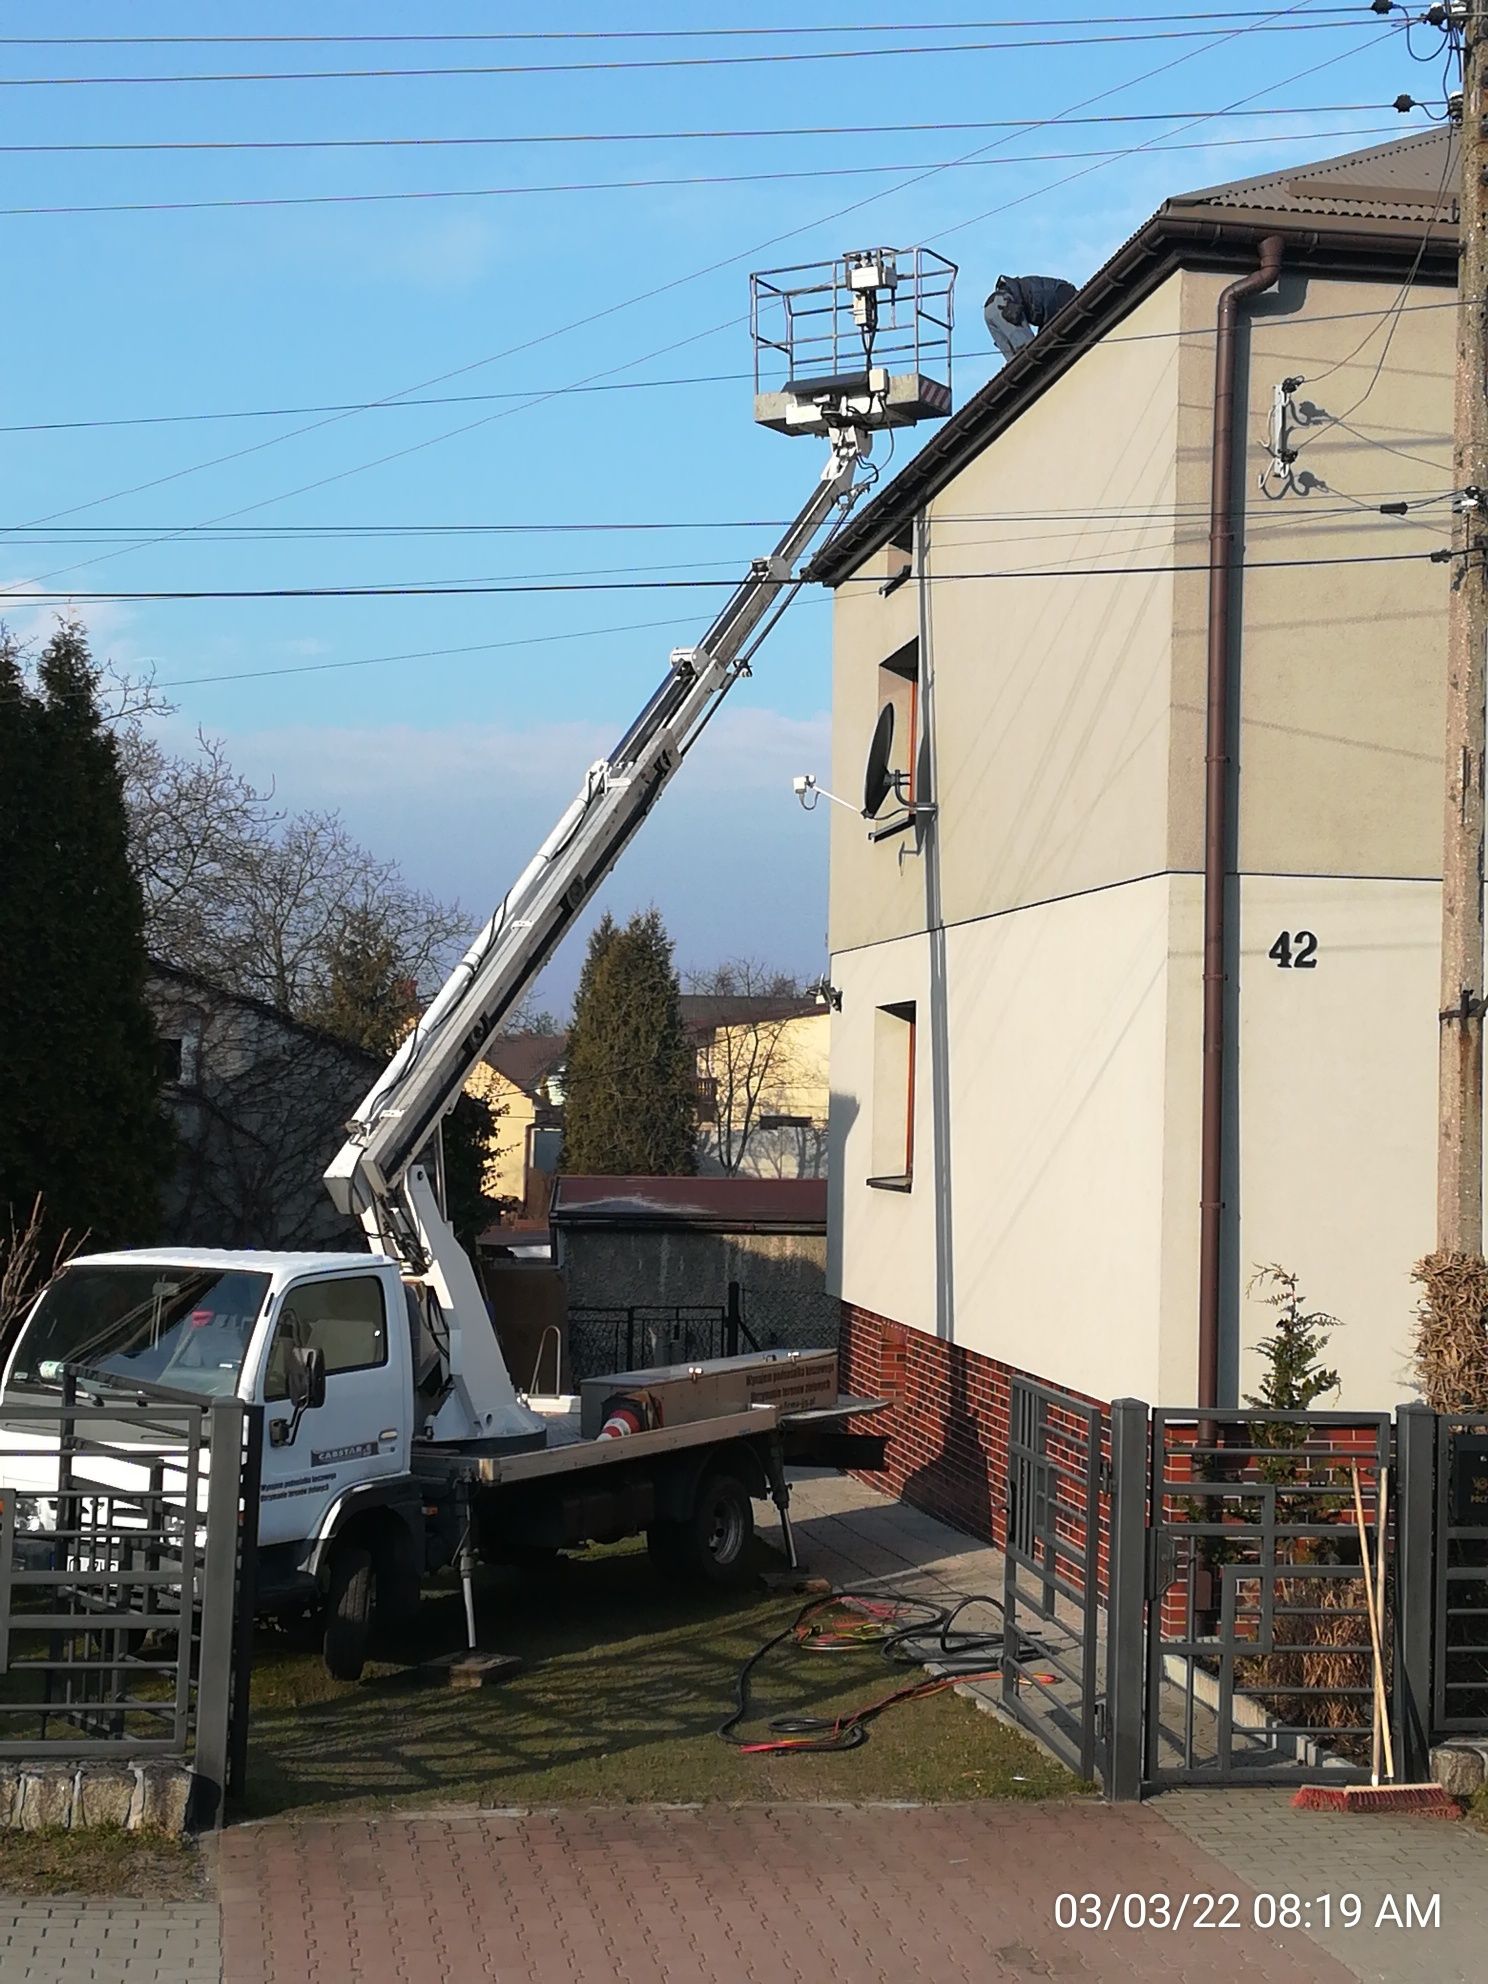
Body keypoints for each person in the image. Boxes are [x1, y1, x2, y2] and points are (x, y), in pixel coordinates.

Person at [983, 275, 1077, 362]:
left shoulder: (1052, 297)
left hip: (995, 305)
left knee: (1017, 355)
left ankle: (1021, 369)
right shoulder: (1061, 296)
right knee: (1028, 351)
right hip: (1003, 301)